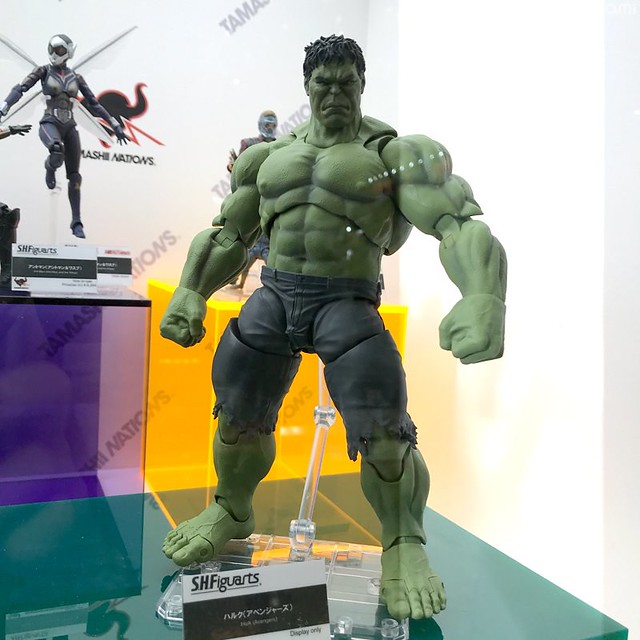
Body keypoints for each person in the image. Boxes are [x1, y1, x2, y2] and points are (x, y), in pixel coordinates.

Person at [160, 35, 507, 621]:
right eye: (324, 83)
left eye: (347, 82)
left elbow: (458, 224)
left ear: (362, 84)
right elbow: (229, 234)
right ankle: (231, 509)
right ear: (307, 86)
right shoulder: (268, 158)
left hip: (346, 300)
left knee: (385, 429)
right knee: (237, 411)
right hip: (276, 294)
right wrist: (192, 289)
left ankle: (403, 542)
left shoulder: (396, 155)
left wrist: (483, 296)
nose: (335, 93)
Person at [0, 34, 128, 239]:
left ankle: (76, 221)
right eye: (51, 49)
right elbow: (21, 88)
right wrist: (4, 106)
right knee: (56, 150)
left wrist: (113, 123)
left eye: (58, 50)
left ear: (68, 51)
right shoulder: (43, 71)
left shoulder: (76, 77)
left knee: (75, 175)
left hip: (70, 125)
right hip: (50, 122)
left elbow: (94, 103)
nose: (53, 54)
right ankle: (50, 168)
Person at [225, 111, 278, 291]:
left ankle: (277, 280)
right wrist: (233, 167)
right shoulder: (249, 144)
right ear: (261, 124)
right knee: (242, 237)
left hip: (271, 197)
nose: (269, 128)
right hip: (251, 197)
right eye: (267, 124)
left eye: (272, 125)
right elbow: (240, 170)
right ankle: (232, 275)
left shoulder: (283, 145)